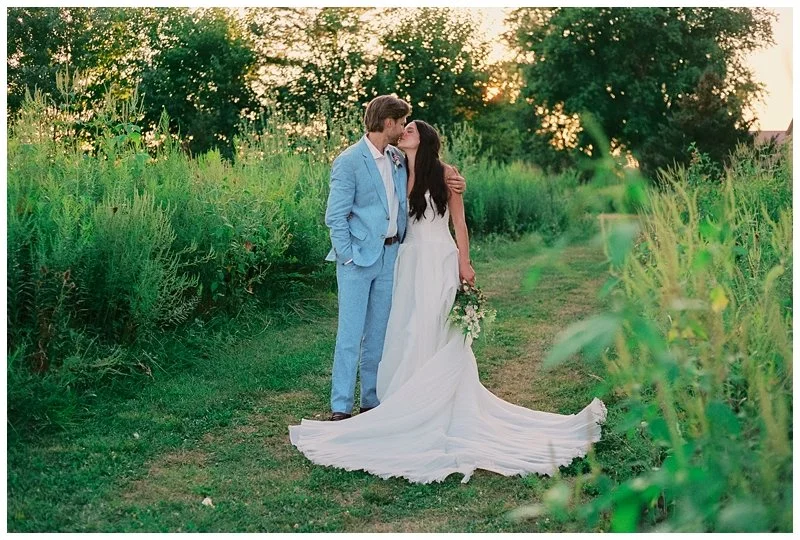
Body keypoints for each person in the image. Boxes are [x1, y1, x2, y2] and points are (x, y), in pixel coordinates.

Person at [289, 119, 606, 484]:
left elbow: (460, 224)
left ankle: (433, 403)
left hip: (438, 259)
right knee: (402, 328)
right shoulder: (394, 165)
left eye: (411, 129)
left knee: (434, 326)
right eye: (402, 127)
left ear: (425, 139)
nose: (404, 132)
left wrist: (465, 263)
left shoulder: (445, 174)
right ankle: (390, 400)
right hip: (405, 262)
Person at [322, 95, 466, 422]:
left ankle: (371, 400)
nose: (403, 129)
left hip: (392, 257)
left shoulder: (398, 160)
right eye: (401, 123)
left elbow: (433, 176)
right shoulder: (349, 161)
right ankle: (341, 406)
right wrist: (347, 258)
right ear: (388, 123)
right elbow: (335, 217)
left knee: (379, 334)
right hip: (357, 261)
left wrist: (457, 181)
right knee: (350, 333)